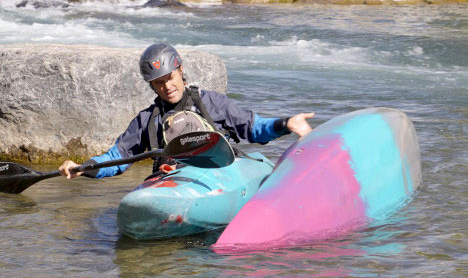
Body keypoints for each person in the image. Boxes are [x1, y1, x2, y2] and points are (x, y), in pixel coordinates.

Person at [58, 43, 314, 179]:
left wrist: (286, 123)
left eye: (170, 77)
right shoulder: (147, 120)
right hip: (172, 180)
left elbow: (254, 129)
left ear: (180, 71)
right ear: (151, 85)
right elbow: (117, 158)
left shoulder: (211, 103)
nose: (167, 87)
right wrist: (86, 167)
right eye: (158, 82)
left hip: (219, 175)